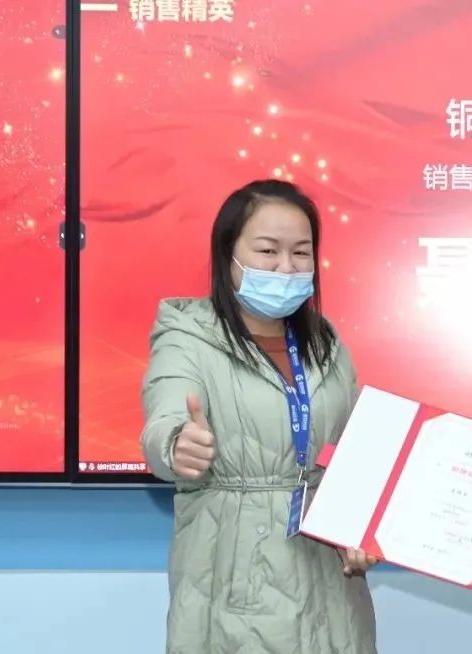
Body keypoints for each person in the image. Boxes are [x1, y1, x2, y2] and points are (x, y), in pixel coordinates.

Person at [140, 179, 377, 654]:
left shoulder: (327, 345)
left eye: (301, 252)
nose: (287, 267)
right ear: (227, 254)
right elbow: (165, 415)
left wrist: (365, 527)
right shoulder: (188, 337)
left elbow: (355, 454)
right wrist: (176, 445)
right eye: (268, 250)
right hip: (233, 582)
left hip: (331, 590)